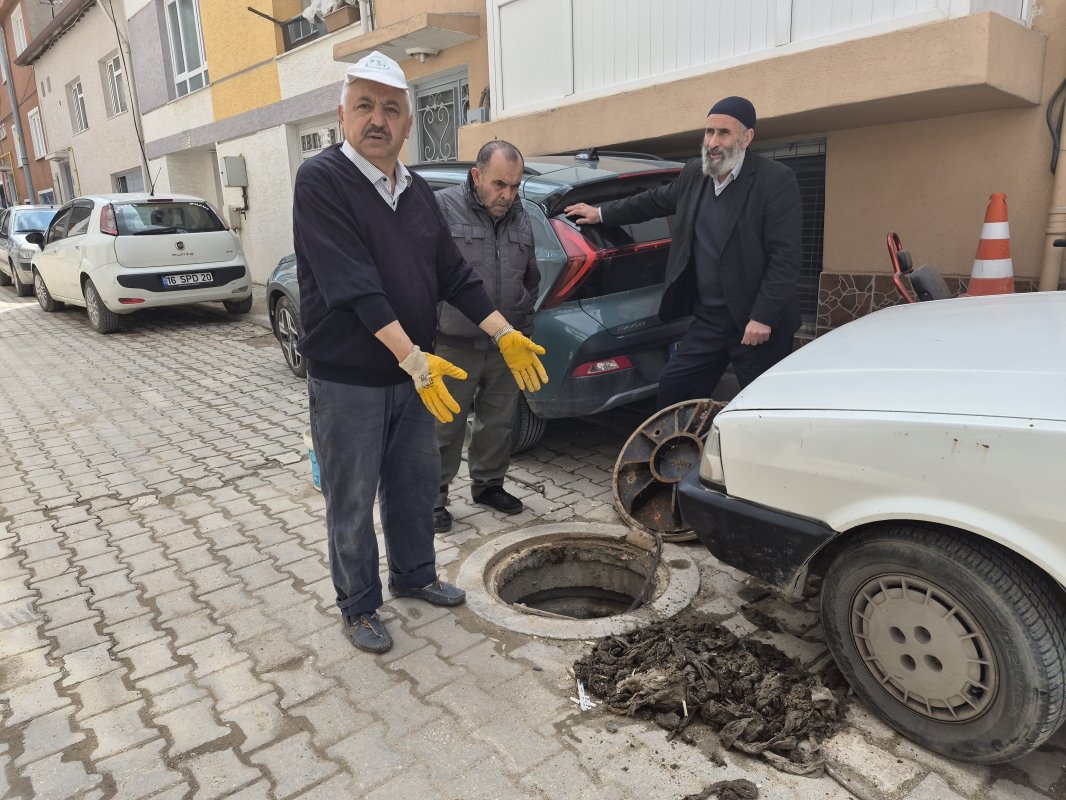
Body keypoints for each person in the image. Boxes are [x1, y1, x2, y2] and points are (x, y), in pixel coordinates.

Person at [292, 51, 547, 654]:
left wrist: (502, 330)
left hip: (416, 375)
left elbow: (455, 274)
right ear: (342, 114)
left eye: (390, 109)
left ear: (408, 124)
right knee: (351, 500)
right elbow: (353, 286)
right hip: (352, 379)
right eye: (364, 106)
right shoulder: (322, 179)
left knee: (412, 485)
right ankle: (358, 606)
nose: (377, 120)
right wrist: (413, 356)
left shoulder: (416, 194)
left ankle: (413, 575)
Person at [565, 96, 802, 408]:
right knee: (675, 391)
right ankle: (684, 451)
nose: (713, 142)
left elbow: (784, 258)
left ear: (747, 137)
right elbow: (651, 201)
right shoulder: (695, 174)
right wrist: (601, 213)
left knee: (763, 406)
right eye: (709, 132)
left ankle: (763, 456)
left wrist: (762, 317)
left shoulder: (774, 180)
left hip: (754, 322)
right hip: (709, 319)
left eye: (724, 133)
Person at [432, 141, 540, 532]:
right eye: (499, 185)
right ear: (477, 176)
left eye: (514, 186)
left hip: (505, 345)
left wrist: (521, 327)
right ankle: (433, 498)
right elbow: (425, 276)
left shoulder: (520, 216)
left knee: (498, 422)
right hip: (453, 342)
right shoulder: (442, 208)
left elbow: (530, 277)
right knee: (445, 424)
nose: (507, 195)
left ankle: (489, 484)